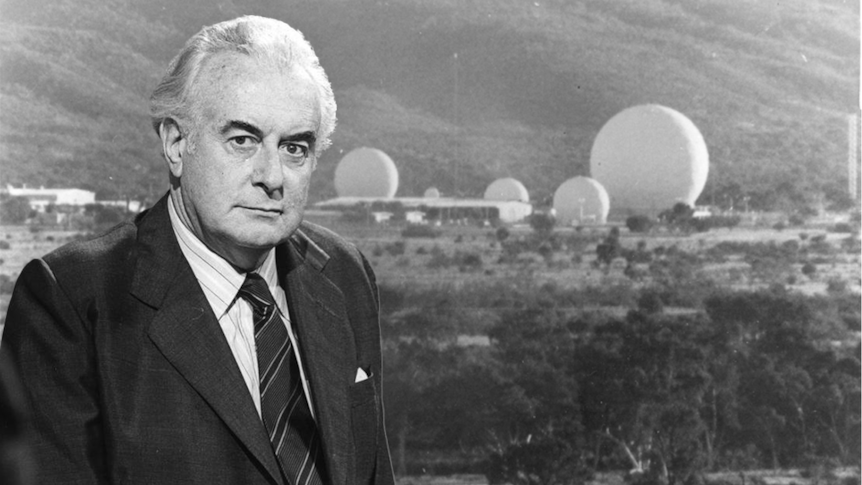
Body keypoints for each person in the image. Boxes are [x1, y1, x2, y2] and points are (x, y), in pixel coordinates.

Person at [0, 15, 394, 485]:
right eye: (243, 140)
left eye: (294, 148)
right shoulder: (73, 301)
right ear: (176, 144)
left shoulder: (344, 273)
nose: (272, 176)